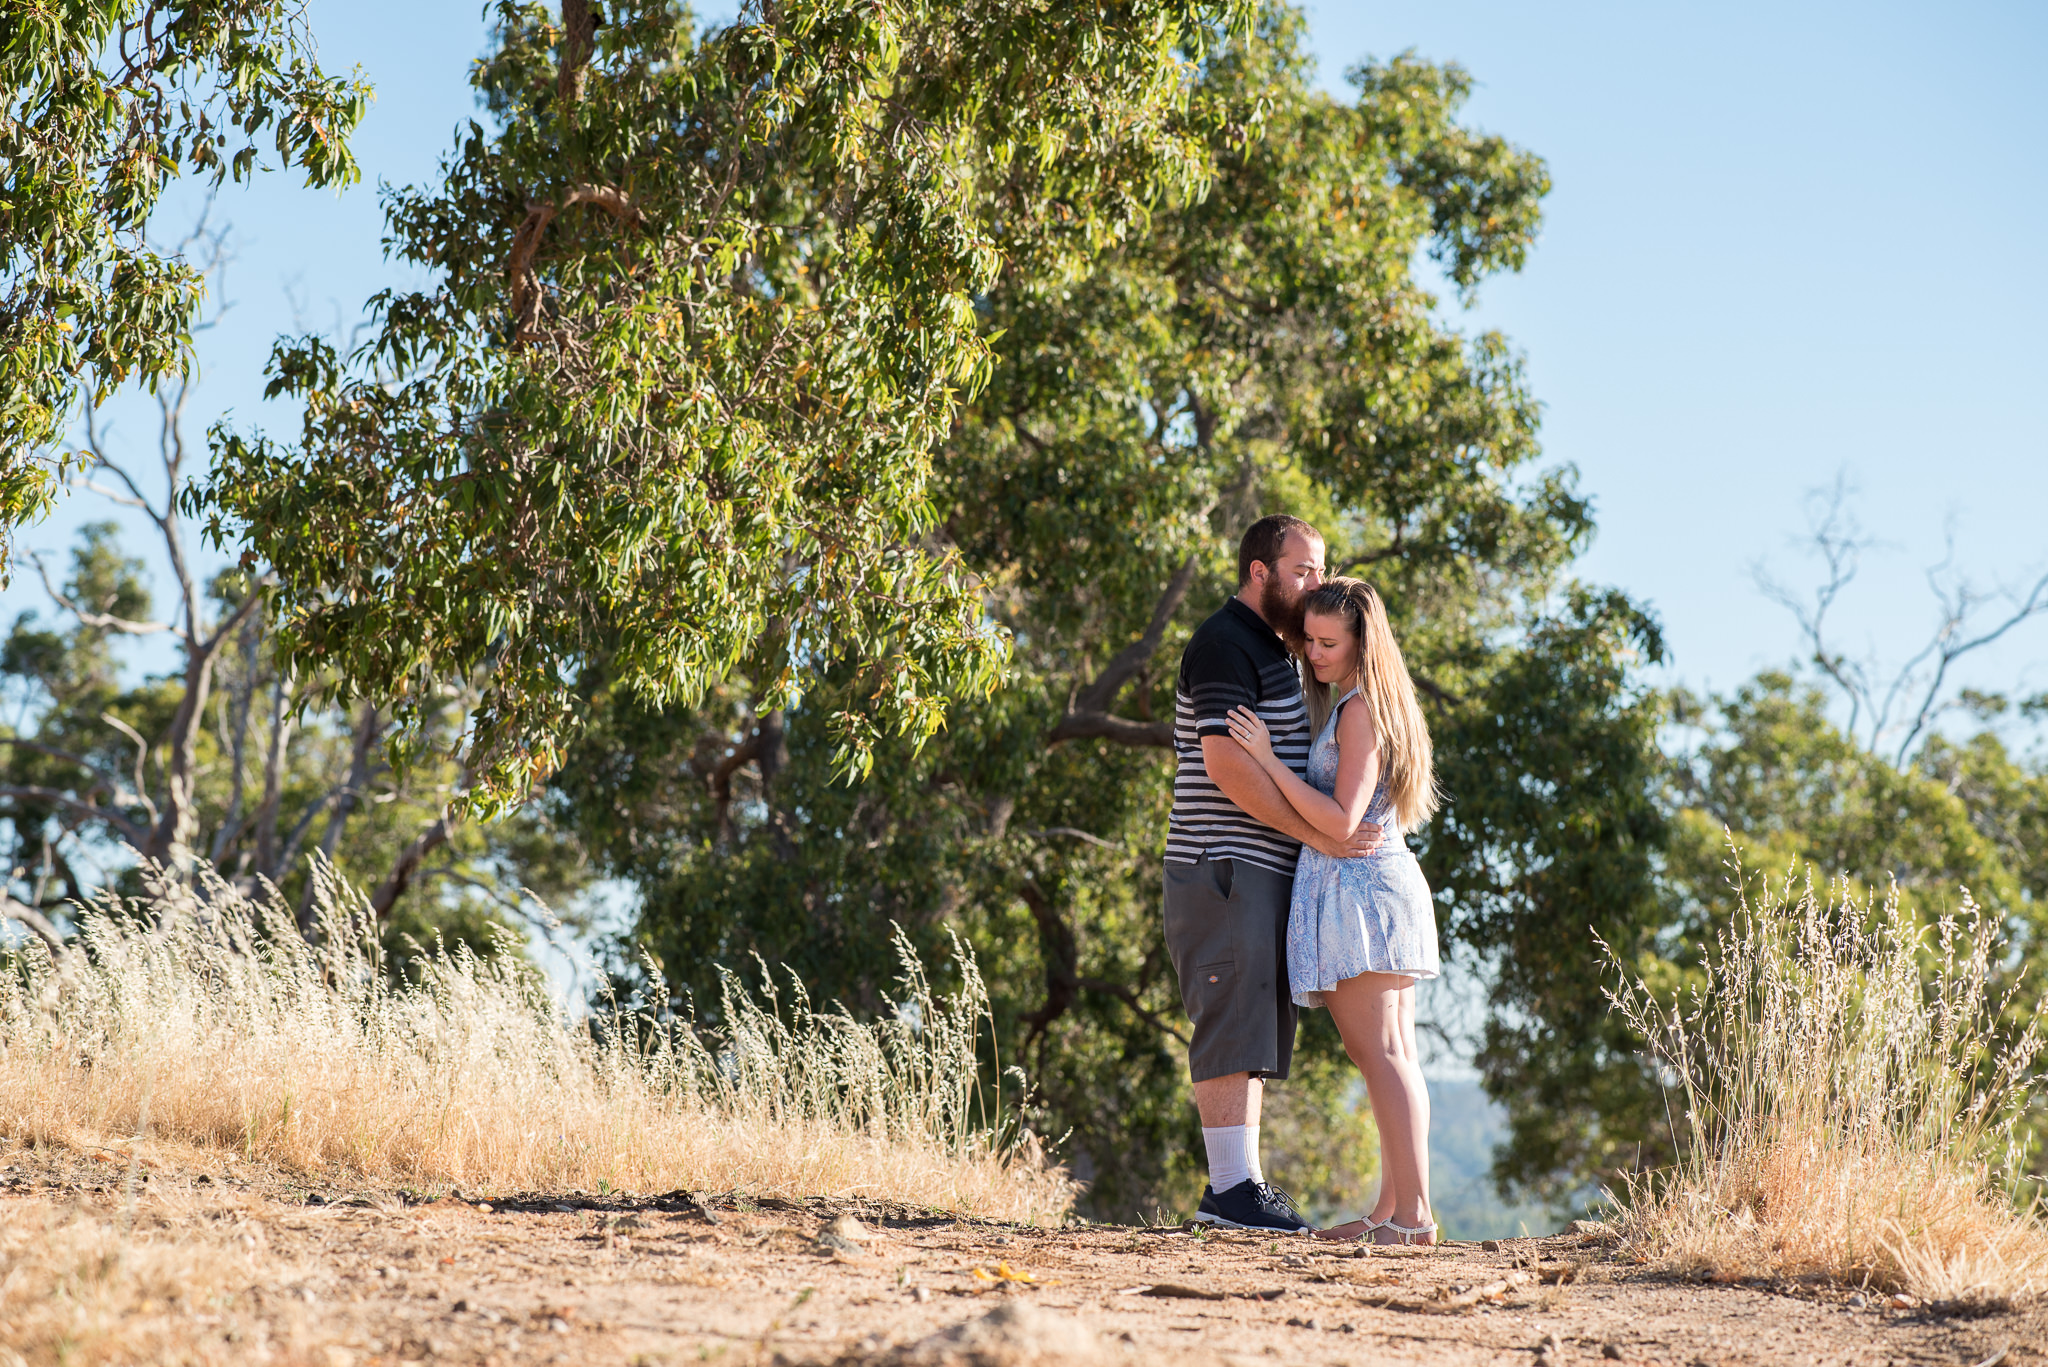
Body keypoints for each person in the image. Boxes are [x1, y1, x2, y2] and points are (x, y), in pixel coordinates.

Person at [1164, 515, 1382, 1234]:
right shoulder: (1225, 641)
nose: (1317, 582)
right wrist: (1318, 832)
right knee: (1231, 1014)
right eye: (1304, 569)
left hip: (1255, 870)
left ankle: (1238, 1185)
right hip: (1220, 864)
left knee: (1254, 1019)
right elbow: (1225, 764)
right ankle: (1231, 1192)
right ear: (1260, 571)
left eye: (1321, 569)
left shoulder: (1276, 649)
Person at [1224, 577, 1442, 1245]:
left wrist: (1266, 760)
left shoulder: (1357, 711)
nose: (1312, 654)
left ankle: (1413, 1218)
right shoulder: (1364, 704)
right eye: (1307, 640)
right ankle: (1393, 1209)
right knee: (1393, 1053)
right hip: (1374, 888)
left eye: (1326, 643)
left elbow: (1341, 819)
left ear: (1360, 644)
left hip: (1362, 894)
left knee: (1379, 1054)